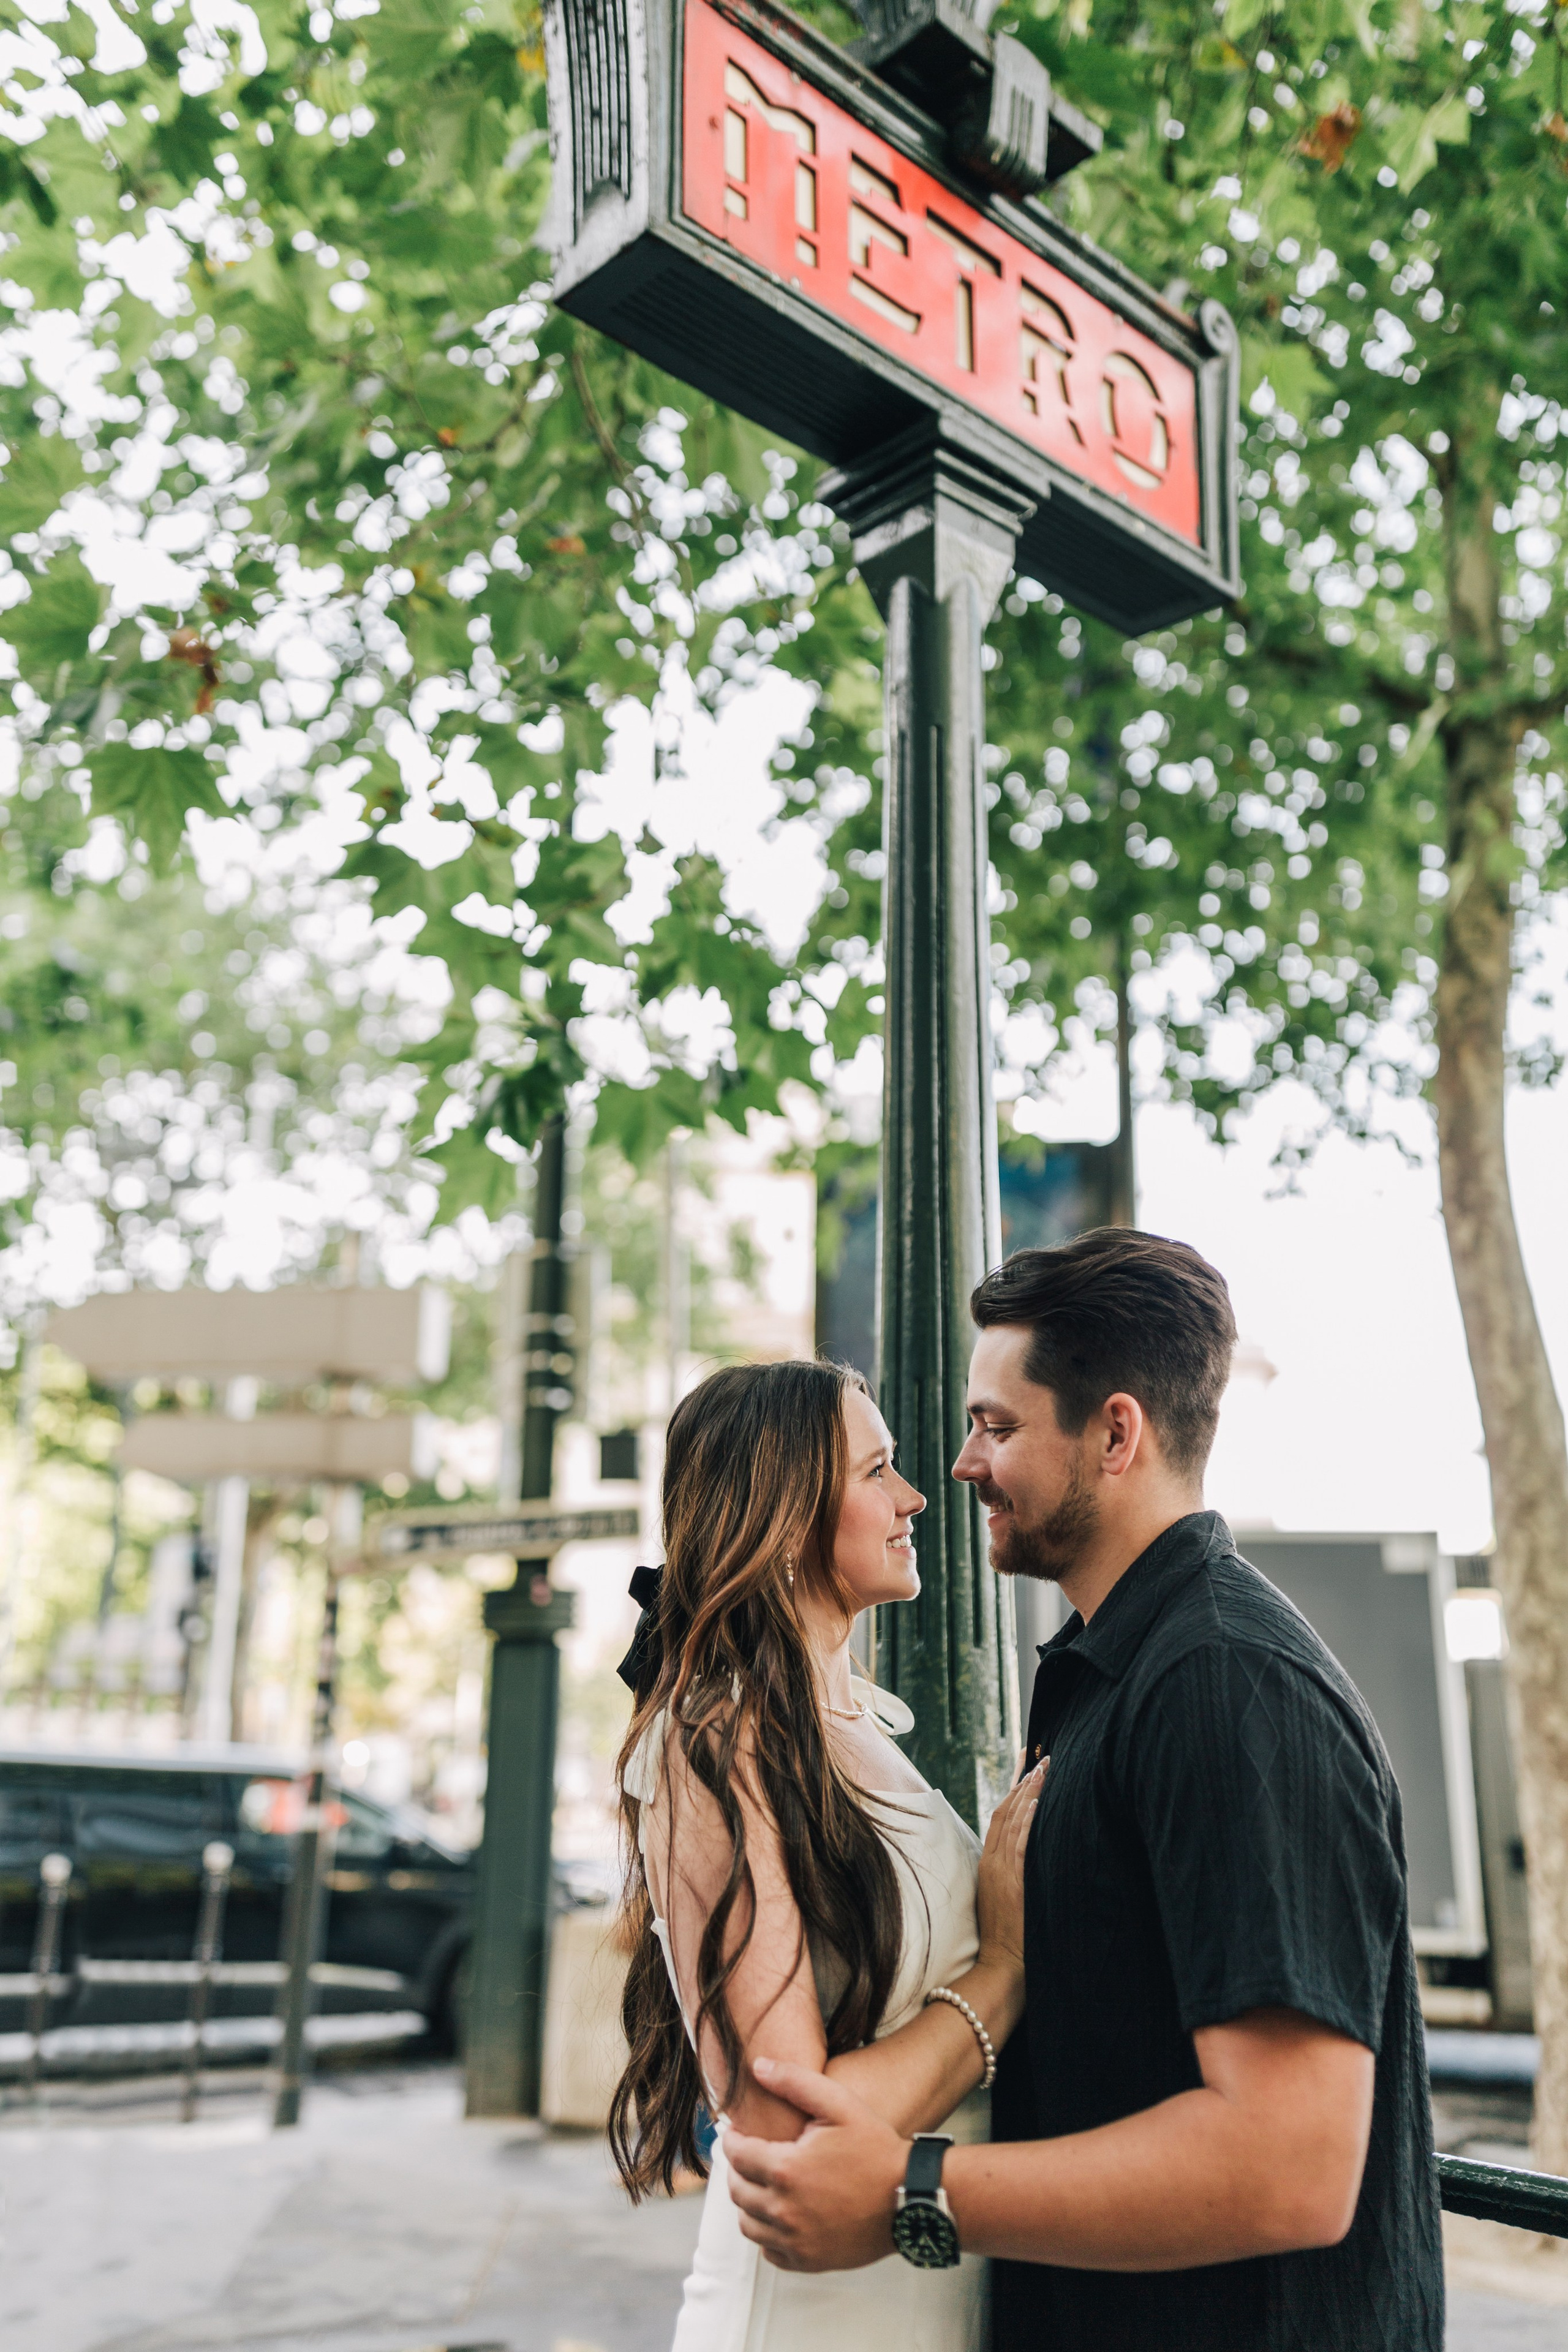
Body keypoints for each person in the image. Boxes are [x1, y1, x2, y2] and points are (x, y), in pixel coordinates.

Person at [723, 1228, 1444, 2352]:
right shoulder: (1109, 1671)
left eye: (997, 1427)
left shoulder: (1227, 1684)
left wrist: (919, 2191)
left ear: (1116, 1433)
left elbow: (1291, 2164)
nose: (962, 1466)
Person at [610, 1357, 1042, 2352]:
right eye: (878, 1471)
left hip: (927, 2276)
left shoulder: (861, 1722)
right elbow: (782, 2127)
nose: (916, 1496)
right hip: (812, 2313)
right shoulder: (714, 1740)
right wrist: (1007, 1971)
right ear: (786, 1511)